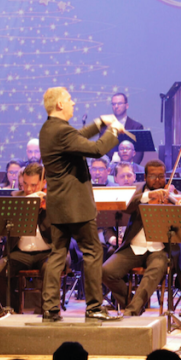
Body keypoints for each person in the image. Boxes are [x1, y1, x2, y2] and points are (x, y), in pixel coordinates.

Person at [38, 86, 123, 322]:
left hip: (58, 205)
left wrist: (99, 123)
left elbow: (78, 136)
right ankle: (94, 307)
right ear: (59, 105)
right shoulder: (62, 131)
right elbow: (96, 149)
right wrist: (113, 130)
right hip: (76, 205)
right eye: (69, 99)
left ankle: (50, 308)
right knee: (93, 252)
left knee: (57, 254)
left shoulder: (49, 128)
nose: (73, 103)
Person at [102, 160, 181, 316]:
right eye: (153, 176)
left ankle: (131, 312)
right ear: (145, 177)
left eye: (161, 176)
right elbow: (126, 206)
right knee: (106, 271)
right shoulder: (136, 190)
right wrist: (149, 195)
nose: (158, 180)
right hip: (134, 247)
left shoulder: (171, 192)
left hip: (160, 249)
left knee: (155, 270)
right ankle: (134, 304)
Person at [0, 163, 51, 315]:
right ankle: (14, 310)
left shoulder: (52, 201)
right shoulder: (16, 198)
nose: (28, 189)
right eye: (25, 184)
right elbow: (4, 228)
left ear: (43, 183)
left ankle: (47, 312)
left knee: (50, 269)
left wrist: (48, 207)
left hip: (48, 252)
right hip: (21, 253)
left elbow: (58, 233)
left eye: (34, 185)